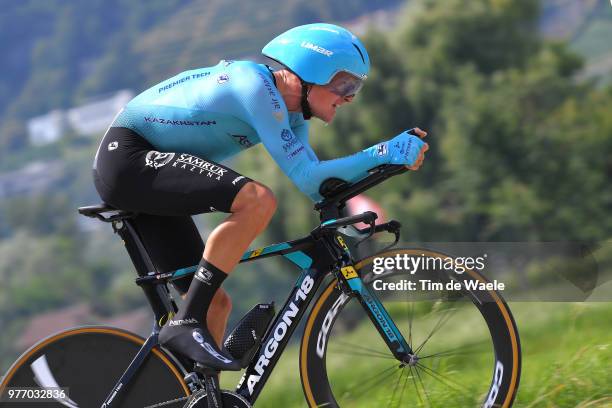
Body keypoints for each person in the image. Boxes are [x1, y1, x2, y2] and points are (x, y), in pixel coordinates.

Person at [92, 23, 428, 370]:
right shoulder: (254, 85)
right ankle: (186, 322)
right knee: (256, 200)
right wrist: (383, 151)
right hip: (127, 158)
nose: (350, 97)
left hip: (149, 172)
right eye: (346, 84)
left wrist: (390, 162)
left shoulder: (292, 117)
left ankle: (190, 391)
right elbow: (310, 176)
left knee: (216, 306)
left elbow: (315, 183)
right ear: (312, 70)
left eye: (356, 88)